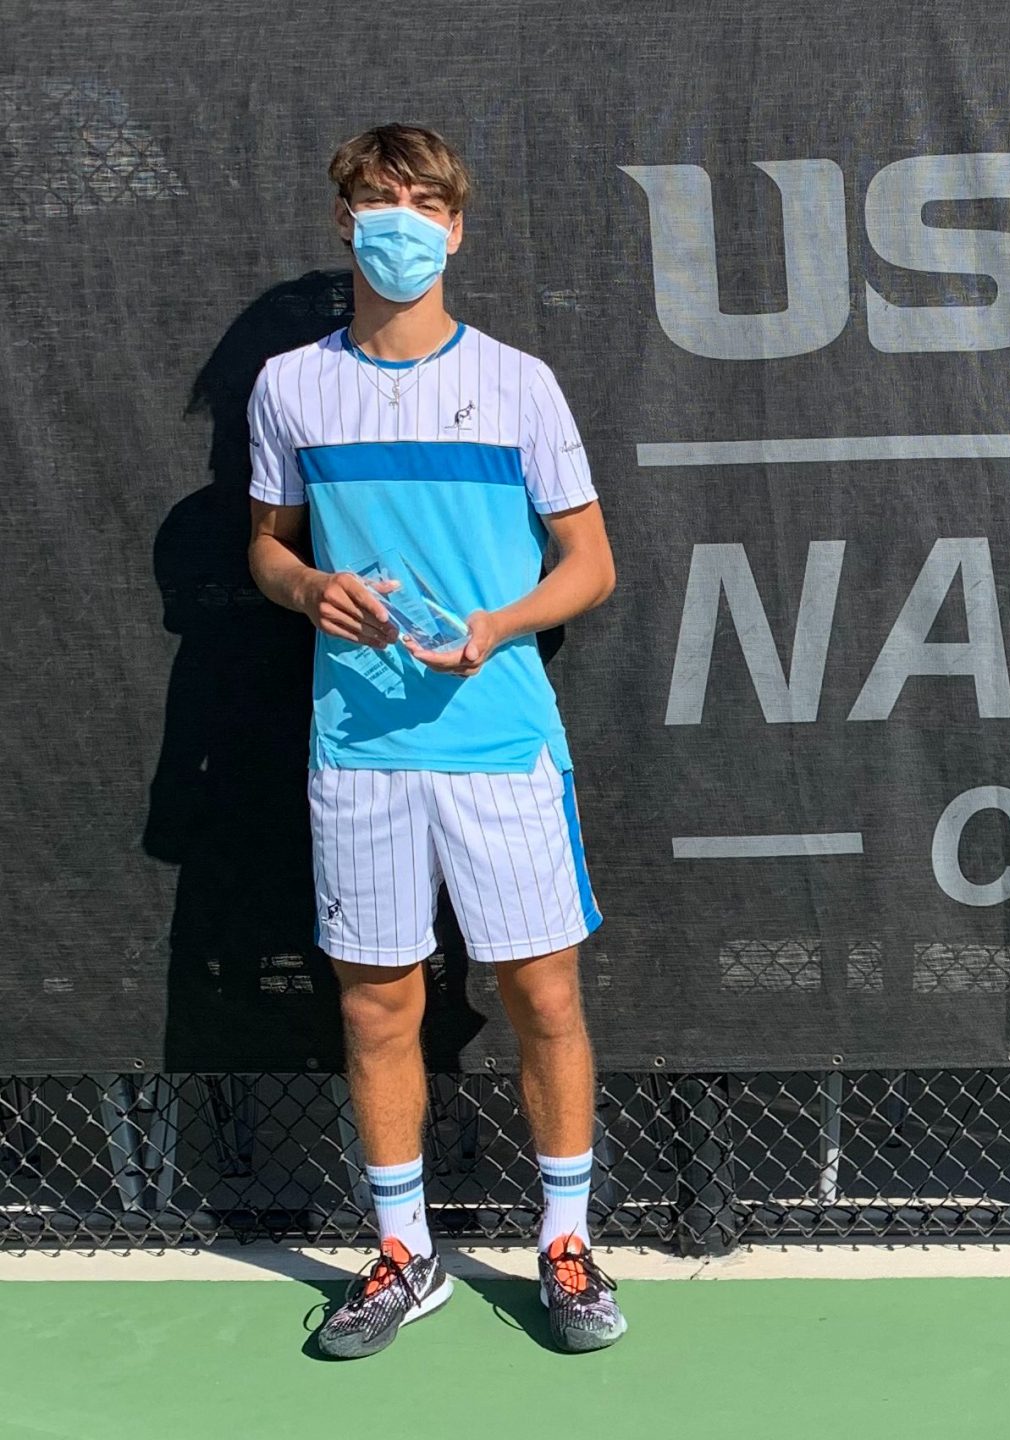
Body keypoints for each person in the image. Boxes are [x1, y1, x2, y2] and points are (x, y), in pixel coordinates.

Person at [245, 124, 625, 1357]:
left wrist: (499, 627)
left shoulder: (520, 383)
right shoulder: (290, 387)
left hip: (503, 742)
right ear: (344, 221)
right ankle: (405, 1255)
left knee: (544, 994)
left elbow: (592, 565)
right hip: (356, 745)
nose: (399, 219)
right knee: (374, 1007)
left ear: (455, 227)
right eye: (375, 199)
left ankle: (563, 1244)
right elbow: (265, 545)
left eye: (422, 201)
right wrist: (308, 590)